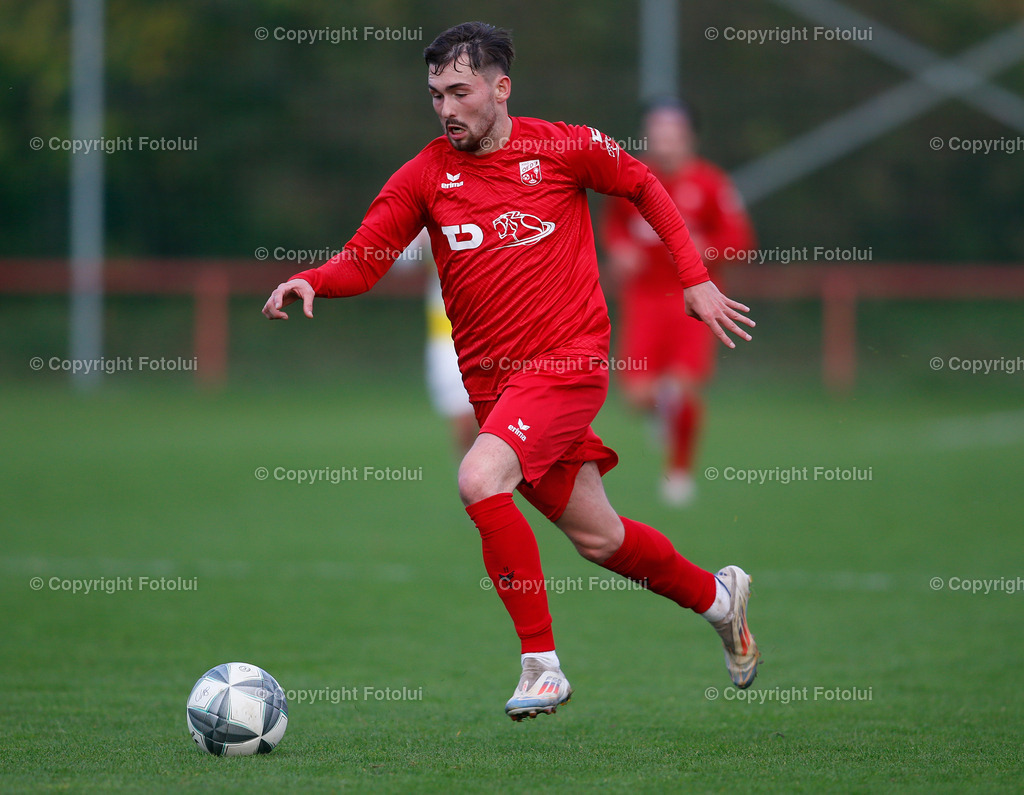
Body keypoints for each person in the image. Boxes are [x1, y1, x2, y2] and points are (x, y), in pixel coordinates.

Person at [263, 22, 760, 721]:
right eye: (435, 94)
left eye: (460, 91)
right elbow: (366, 257)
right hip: (496, 387)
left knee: (477, 476)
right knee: (601, 538)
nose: (445, 108)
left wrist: (695, 278)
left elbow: (644, 184)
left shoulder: (563, 147)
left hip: (569, 362)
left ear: (501, 88)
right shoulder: (425, 176)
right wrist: (314, 278)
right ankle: (719, 599)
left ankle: (542, 666)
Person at [602, 99, 757, 506]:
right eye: (656, 130)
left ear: (689, 136)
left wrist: (709, 248)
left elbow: (740, 242)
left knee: (684, 386)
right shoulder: (633, 178)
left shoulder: (711, 184)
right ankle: (662, 412)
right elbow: (613, 224)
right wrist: (619, 250)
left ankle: (679, 473)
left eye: (671, 131)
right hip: (644, 299)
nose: (663, 139)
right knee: (635, 395)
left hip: (693, 298)